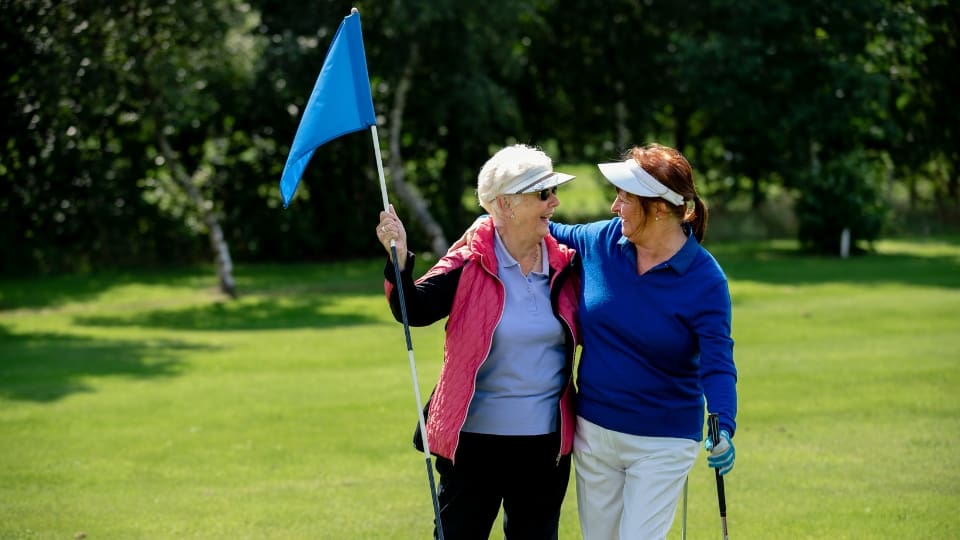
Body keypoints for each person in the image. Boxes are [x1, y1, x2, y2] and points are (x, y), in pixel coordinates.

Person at [375, 144, 582, 540]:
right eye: (542, 194)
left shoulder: (567, 263)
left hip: (545, 450)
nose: (554, 202)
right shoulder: (469, 260)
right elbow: (414, 309)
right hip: (473, 447)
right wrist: (398, 259)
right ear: (505, 205)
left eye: (553, 192)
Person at [547, 143, 738, 539]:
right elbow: (541, 229)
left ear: (661, 208)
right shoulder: (601, 240)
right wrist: (495, 214)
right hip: (595, 431)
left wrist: (724, 428)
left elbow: (717, 364)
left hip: (663, 441)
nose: (615, 207)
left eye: (625, 198)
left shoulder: (705, 280)